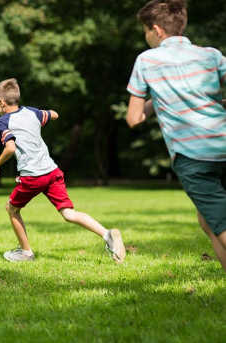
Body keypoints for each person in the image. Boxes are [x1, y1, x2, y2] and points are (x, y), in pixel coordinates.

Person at [126, 0, 226, 272]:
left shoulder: (146, 61)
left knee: (221, 223)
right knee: (207, 222)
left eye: (145, 31)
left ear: (156, 30)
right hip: (223, 143)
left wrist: (156, 98)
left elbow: (133, 118)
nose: (145, 37)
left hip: (193, 155)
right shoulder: (211, 55)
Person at [0, 78, 126, 263]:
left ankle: (26, 252)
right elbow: (54, 114)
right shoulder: (32, 112)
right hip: (52, 172)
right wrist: (46, 116)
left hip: (32, 176)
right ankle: (107, 234)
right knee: (69, 213)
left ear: (2, 103)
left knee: (12, 209)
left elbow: (10, 148)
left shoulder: (3, 121)